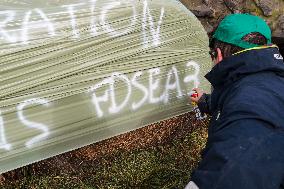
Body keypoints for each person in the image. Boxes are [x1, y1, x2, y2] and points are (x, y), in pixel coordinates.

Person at [185, 13, 284, 189]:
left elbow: (231, 173)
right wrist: (205, 101)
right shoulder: (265, 80)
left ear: (219, 54)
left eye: (211, 55)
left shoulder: (252, 109)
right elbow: (235, 100)